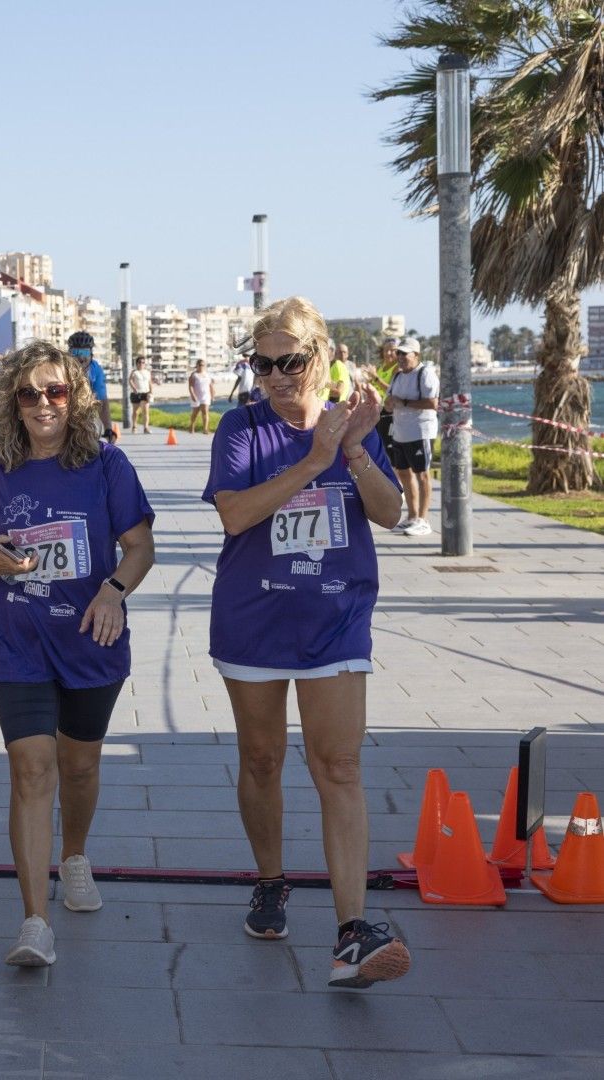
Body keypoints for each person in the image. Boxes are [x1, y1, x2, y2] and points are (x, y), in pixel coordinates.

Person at [203, 296, 411, 990]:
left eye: (287, 361)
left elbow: (390, 512)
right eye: (260, 364)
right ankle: (270, 880)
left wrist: (349, 448)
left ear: (319, 355)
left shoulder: (351, 425)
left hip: (334, 617)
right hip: (253, 617)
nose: (274, 376)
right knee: (260, 758)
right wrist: (312, 458)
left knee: (338, 766)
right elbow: (234, 515)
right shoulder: (240, 427)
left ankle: (353, 930)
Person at [0, 342, 156, 968]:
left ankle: (74, 856)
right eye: (29, 394)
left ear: (76, 398)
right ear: (11, 402)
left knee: (80, 767)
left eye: (57, 392)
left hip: (90, 639)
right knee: (32, 768)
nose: (44, 404)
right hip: (17, 640)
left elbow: (139, 546)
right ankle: (34, 919)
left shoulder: (106, 464)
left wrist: (113, 591)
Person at [384, 337, 438, 537]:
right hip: (400, 432)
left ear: (416, 355)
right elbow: (390, 400)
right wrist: (390, 403)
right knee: (403, 473)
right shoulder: (397, 376)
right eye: (398, 353)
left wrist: (404, 403)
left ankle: (423, 520)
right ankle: (412, 516)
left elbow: (433, 403)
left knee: (422, 474)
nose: (400, 357)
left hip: (420, 431)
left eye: (404, 353)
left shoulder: (425, 374)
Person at [66, 331, 116, 442]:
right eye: (76, 352)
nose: (81, 357)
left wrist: (108, 428)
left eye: (85, 352)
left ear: (91, 354)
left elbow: (102, 402)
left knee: (94, 431)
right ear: (69, 354)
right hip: (63, 412)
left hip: (84, 413)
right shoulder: (61, 369)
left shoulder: (95, 370)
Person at [129, 356, 153, 433]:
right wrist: (134, 388)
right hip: (136, 393)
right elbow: (130, 380)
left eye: (143, 362)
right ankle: (134, 426)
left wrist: (151, 392)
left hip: (145, 393)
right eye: (139, 362)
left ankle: (146, 428)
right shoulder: (134, 372)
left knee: (145, 411)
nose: (141, 364)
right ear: (136, 363)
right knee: (135, 412)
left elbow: (150, 382)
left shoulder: (147, 372)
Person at [188, 358, 213, 433]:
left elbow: (210, 385)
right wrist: (193, 395)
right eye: (200, 365)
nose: (202, 366)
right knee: (195, 413)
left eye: (203, 365)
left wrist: (212, 394)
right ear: (197, 366)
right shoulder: (194, 375)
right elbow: (191, 386)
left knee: (205, 412)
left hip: (205, 396)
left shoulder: (207, 375)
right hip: (196, 396)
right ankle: (192, 425)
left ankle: (205, 429)